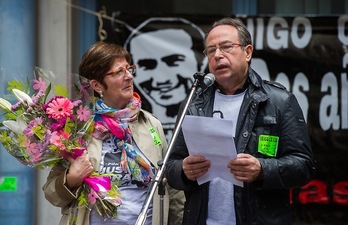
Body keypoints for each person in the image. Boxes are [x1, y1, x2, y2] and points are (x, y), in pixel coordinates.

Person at [165, 17, 316, 225]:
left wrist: (262, 169)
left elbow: (304, 166)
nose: (218, 55)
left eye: (226, 47)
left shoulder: (279, 101)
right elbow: (170, 166)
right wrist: (184, 170)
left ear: (247, 52)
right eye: (211, 50)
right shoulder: (193, 102)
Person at [43, 42, 184, 225]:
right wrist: (71, 179)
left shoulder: (150, 124)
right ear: (97, 85)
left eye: (129, 69)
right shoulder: (78, 128)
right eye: (118, 72)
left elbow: (170, 186)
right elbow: (51, 194)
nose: (128, 77)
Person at [124, 17, 208, 140]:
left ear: (200, 63)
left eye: (173, 61)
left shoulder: (212, 118)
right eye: (147, 66)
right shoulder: (150, 127)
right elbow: (157, 149)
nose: (161, 81)